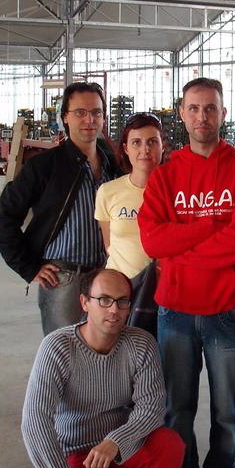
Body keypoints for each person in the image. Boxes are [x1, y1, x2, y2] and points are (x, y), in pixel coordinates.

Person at [137, 77, 235, 468]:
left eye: (210, 108)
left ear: (223, 113)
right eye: (193, 108)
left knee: (227, 411)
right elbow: (153, 241)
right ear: (182, 113)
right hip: (175, 310)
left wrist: (182, 245)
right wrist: (212, 228)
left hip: (227, 310)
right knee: (177, 410)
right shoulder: (164, 176)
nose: (202, 117)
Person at [22, 268, 184, 468]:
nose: (114, 310)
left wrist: (115, 441)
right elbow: (35, 422)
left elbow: (152, 406)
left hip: (117, 447)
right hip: (76, 452)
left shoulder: (140, 343)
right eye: (104, 300)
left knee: (169, 444)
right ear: (84, 302)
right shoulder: (57, 347)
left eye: (122, 301)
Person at [0, 82, 117, 335]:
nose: (89, 120)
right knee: (64, 351)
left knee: (104, 352)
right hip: (63, 279)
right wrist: (29, 266)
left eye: (96, 112)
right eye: (80, 112)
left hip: (107, 277)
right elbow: (5, 219)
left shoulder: (114, 168)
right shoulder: (44, 166)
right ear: (65, 117)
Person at [95, 113, 166, 335]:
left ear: (163, 146)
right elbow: (109, 245)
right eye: (136, 142)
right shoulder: (108, 192)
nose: (145, 150)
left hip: (164, 291)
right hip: (121, 294)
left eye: (152, 142)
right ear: (125, 148)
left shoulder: (175, 192)